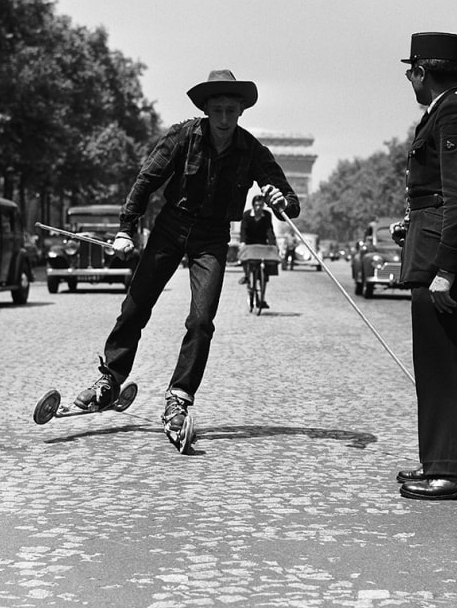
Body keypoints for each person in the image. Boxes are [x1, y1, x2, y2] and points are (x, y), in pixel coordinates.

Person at [74, 69, 300, 445]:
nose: (224, 119)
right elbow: (146, 181)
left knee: (201, 320)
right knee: (135, 306)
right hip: (170, 227)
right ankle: (110, 379)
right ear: (206, 110)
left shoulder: (252, 151)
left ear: (241, 111)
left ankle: (178, 398)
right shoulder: (182, 136)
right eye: (217, 110)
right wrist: (125, 228)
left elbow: (289, 200)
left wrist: (282, 203)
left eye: (231, 110)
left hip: (212, 238)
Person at [393, 32, 457, 501]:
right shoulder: (448, 109)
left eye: (410, 72)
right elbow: (436, 197)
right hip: (433, 250)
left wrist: (447, 268)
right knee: (434, 366)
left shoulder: (452, 113)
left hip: (444, 263)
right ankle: (439, 460)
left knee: (448, 366)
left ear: (420, 72)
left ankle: (454, 471)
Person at [238, 192, 277, 308]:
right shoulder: (246, 215)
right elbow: (243, 231)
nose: (258, 207)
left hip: (262, 244)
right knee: (245, 259)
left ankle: (262, 298)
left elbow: (269, 230)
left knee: (264, 273)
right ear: (253, 205)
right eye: (256, 205)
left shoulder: (267, 215)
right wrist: (243, 242)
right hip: (249, 244)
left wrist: (272, 244)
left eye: (261, 205)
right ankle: (246, 276)